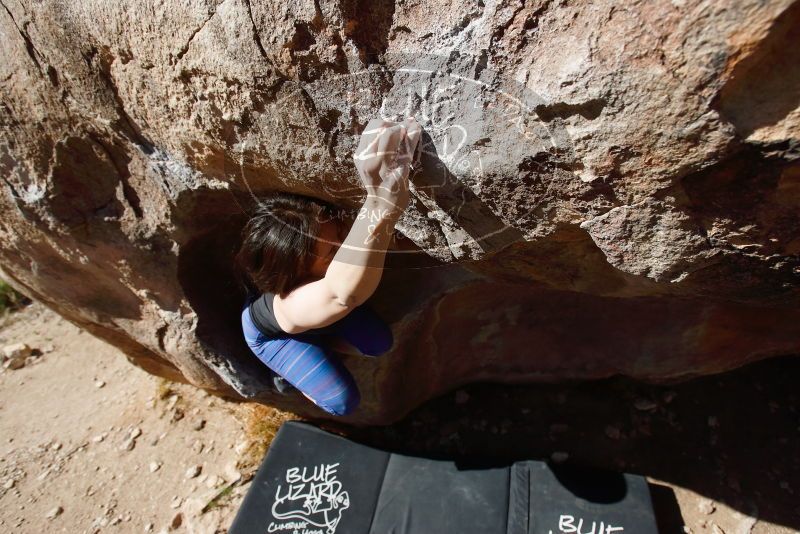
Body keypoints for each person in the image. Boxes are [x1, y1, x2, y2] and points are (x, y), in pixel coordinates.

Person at [234, 117, 422, 416]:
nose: (346, 245)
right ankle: (289, 378)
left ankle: (323, 337)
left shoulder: (308, 248)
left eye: (339, 238)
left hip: (319, 304)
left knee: (377, 343)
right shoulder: (291, 306)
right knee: (341, 401)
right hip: (278, 337)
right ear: (300, 272)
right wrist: (380, 209)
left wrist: (376, 195)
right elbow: (340, 294)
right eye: (333, 251)